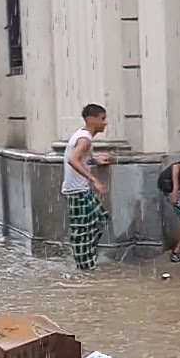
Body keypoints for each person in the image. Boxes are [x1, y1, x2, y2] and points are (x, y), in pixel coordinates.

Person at [63, 104, 114, 270]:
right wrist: (95, 180)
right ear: (92, 119)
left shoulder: (81, 136)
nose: (105, 123)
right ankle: (84, 267)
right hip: (78, 191)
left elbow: (80, 158)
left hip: (79, 190)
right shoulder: (85, 138)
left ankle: (87, 259)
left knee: (100, 219)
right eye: (102, 118)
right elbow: (73, 160)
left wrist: (94, 160)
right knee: (83, 230)